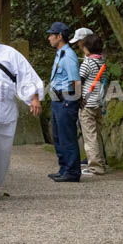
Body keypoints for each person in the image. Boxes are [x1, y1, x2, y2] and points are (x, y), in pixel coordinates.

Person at [0, 21, 44, 198]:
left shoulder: (9, 53)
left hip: (6, 109)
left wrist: (34, 98)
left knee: (3, 151)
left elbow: (25, 75)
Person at [47, 21, 81, 182]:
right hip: (57, 98)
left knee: (67, 135)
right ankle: (64, 168)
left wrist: (74, 100)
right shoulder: (60, 54)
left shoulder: (68, 56)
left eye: (51, 35)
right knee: (58, 136)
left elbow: (76, 80)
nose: (49, 38)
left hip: (66, 98)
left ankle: (72, 171)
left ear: (59, 36)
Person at [77, 33, 108, 176]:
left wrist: (77, 98)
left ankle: (95, 167)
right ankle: (101, 162)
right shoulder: (102, 62)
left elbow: (79, 81)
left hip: (87, 103)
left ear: (88, 48)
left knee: (90, 136)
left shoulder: (87, 63)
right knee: (97, 134)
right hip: (99, 103)